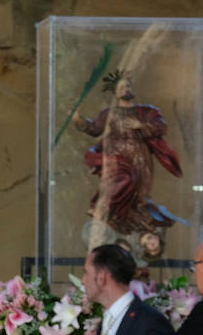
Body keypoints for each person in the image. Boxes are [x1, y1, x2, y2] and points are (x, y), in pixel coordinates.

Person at [73, 73, 183, 253]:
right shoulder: (109, 113)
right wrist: (79, 120)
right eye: (122, 87)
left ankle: (130, 232)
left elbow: (162, 126)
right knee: (123, 181)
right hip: (115, 158)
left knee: (138, 197)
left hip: (140, 159)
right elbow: (94, 128)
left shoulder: (146, 111)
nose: (126, 90)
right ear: (116, 93)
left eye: (128, 86)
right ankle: (102, 209)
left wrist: (141, 126)